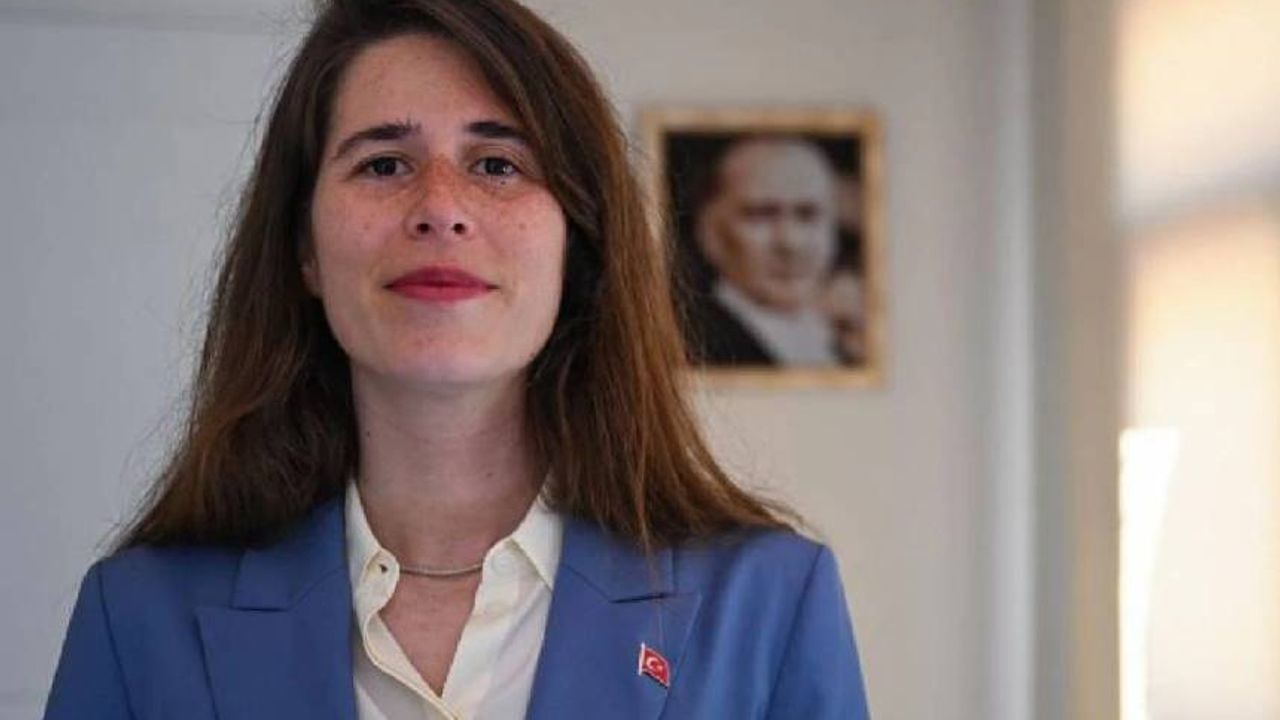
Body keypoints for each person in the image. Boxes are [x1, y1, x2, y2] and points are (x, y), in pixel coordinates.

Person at [44, 1, 870, 718]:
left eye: (497, 165)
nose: (441, 208)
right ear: (304, 248)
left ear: (577, 245)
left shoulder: (770, 603)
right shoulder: (139, 619)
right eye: (383, 164)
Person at [686, 135, 865, 367]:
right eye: (761, 215)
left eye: (808, 214)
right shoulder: (696, 343)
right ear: (710, 233)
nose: (790, 243)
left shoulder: (849, 335)